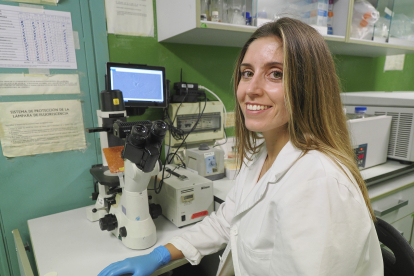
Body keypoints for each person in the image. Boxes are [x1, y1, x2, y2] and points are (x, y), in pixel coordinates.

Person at [98, 17, 383, 276]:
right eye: (247, 73)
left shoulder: (319, 184)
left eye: (276, 74)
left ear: (308, 86)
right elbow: (226, 221)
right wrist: (161, 254)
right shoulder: (262, 155)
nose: (251, 89)